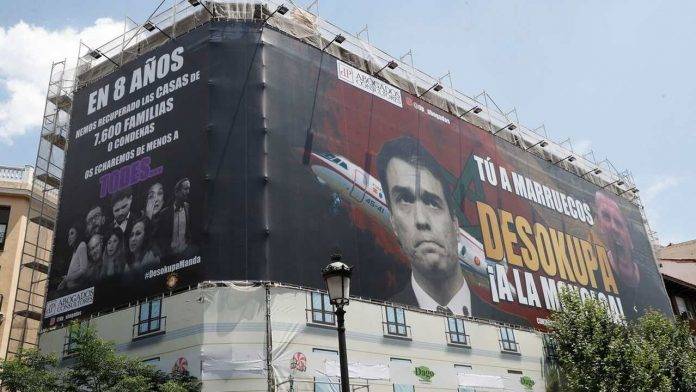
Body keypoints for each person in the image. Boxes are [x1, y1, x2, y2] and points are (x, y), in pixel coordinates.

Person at [376, 136, 474, 316]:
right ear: (394, 224)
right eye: (405, 200)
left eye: (431, 202)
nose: (421, 219)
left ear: (455, 225)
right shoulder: (382, 317)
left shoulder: (514, 324)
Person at [160, 178, 192, 256]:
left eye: (189, 189)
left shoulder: (187, 207)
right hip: (169, 256)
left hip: (185, 253)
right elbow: (159, 236)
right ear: (176, 192)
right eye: (185, 189)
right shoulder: (164, 213)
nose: (188, 192)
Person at [58, 223, 89, 291]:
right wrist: (64, 282)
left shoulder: (82, 245)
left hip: (77, 288)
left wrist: (67, 278)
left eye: (72, 233)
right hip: (71, 289)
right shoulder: (75, 250)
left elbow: (83, 270)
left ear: (78, 234)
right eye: (68, 234)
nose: (69, 237)